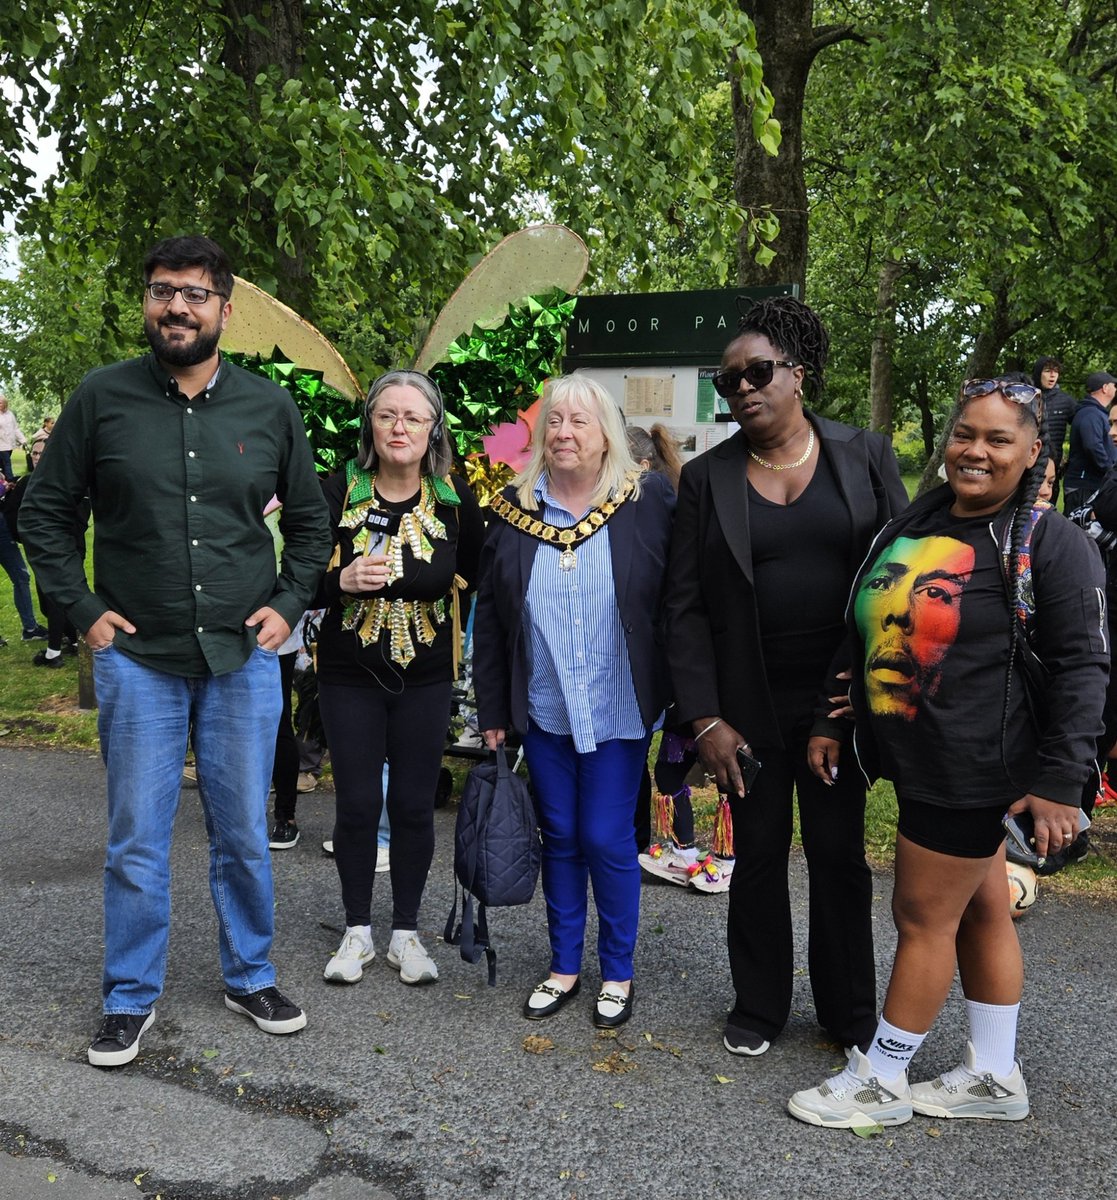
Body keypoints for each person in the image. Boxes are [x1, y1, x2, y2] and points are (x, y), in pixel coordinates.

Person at [19, 235, 330, 1068]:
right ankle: (129, 994)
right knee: (137, 837)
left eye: (194, 293)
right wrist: (80, 611)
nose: (177, 307)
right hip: (138, 658)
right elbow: (44, 516)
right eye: (162, 291)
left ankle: (250, 974)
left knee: (241, 830)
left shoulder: (268, 408)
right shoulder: (100, 399)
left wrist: (288, 605)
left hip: (242, 658)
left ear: (225, 308)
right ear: (147, 304)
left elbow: (310, 523)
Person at [788, 375, 1107, 1128]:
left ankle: (881, 1080)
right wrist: (833, 718)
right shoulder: (918, 522)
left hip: (971, 765)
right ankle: (994, 1076)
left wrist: (1062, 782)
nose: (975, 450)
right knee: (979, 910)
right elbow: (862, 624)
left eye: (999, 439)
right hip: (918, 754)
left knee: (921, 915)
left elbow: (1084, 666)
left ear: (1033, 452)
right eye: (965, 433)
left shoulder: (1049, 546)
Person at [665, 295, 908, 1059]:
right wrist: (704, 718)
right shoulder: (707, 480)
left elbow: (896, 582)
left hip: (839, 698)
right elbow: (683, 609)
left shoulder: (863, 455)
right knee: (759, 851)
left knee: (839, 856)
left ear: (796, 375)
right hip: (747, 706)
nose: (741, 390)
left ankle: (847, 1012)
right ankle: (759, 1004)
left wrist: (862, 699)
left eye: (757, 373)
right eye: (727, 381)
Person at [474, 375, 675, 1028]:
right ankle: (564, 967)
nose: (563, 432)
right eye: (554, 420)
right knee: (558, 835)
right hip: (543, 706)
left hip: (617, 705)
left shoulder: (647, 502)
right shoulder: (511, 510)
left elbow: (681, 604)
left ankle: (616, 971)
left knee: (603, 836)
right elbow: (494, 620)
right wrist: (493, 712)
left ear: (606, 434)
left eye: (579, 421)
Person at [316, 369, 483, 988]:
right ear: (371, 424)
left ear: (433, 428)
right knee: (358, 805)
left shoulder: (454, 500)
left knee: (414, 806)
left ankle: (405, 935)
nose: (400, 427)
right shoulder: (336, 491)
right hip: (348, 674)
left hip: (427, 674)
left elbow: (478, 573)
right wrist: (339, 582)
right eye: (388, 415)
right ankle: (357, 932)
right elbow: (299, 578)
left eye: (414, 417)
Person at [3, 437, 83, 666]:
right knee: (48, 604)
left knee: (56, 598)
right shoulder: (26, 483)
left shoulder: (69, 482)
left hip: (65, 550)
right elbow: (12, 515)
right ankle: (75, 639)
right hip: (40, 551)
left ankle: (53, 652)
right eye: (35, 454)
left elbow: (79, 517)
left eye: (42, 453)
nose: (37, 457)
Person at [1063, 370, 1117, 511]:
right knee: (1080, 530)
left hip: (1091, 485)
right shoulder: (1091, 413)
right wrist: (1110, 471)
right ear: (1105, 388)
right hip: (1084, 486)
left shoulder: (1095, 412)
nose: (1115, 389)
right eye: (1114, 385)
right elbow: (1092, 446)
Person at [1031, 357, 1074, 499]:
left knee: (1047, 505)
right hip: (1027, 460)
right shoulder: (1028, 396)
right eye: (1048, 371)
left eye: (1056, 371)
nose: (1053, 375)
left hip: (1052, 465)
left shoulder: (1066, 401)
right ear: (1038, 373)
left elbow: (1083, 426)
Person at [0, 395, 28, 482]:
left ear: (5, 403)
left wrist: (23, 440)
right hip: (1, 444)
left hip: (10, 444)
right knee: (7, 463)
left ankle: (5, 484)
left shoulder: (10, 414)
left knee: (3, 465)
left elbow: (15, 428)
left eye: (0, 403)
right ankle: (11, 480)